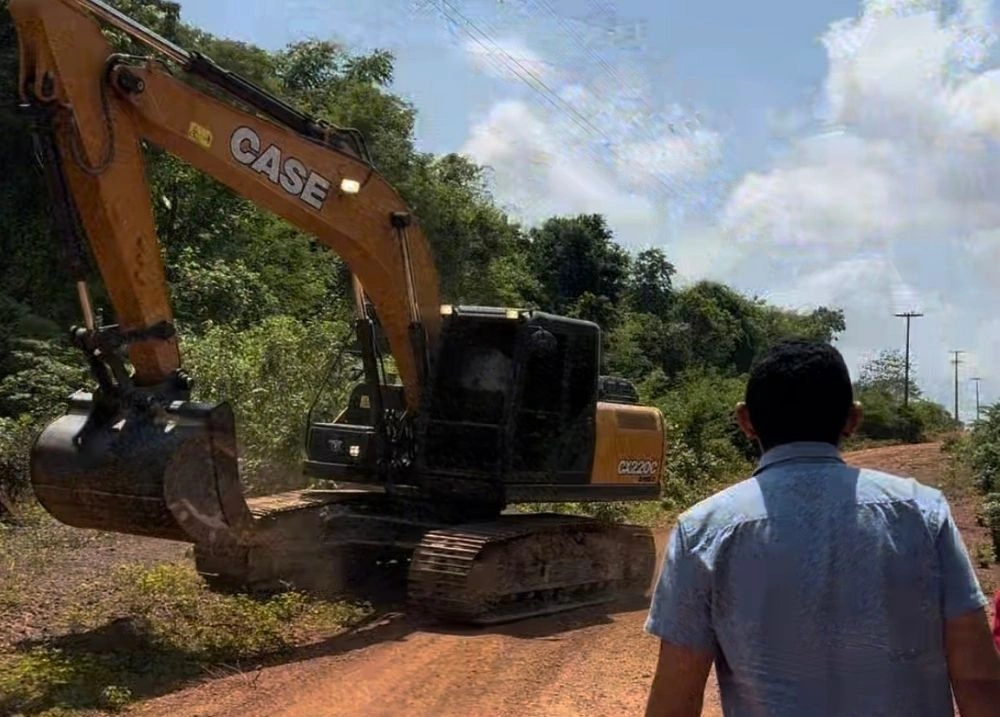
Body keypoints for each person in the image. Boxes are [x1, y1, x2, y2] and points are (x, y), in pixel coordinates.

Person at [643, 340, 1000, 717]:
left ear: (745, 421)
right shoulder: (923, 512)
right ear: (852, 420)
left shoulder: (702, 532)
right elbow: (976, 676)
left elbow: (676, 697)